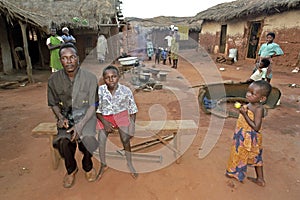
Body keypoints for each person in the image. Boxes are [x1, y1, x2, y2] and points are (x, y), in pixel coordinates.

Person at [47, 43, 99, 188]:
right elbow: (54, 104)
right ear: (60, 60)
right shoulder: (54, 80)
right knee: (63, 140)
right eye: (64, 58)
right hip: (66, 116)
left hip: (86, 115)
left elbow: (93, 105)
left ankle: (88, 166)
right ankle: (71, 169)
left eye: (72, 57)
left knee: (88, 138)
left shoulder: (90, 78)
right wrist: (60, 117)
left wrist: (81, 124)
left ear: (77, 58)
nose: (68, 61)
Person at [225, 80, 272, 187]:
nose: (248, 94)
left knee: (255, 157)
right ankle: (235, 173)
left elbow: (256, 127)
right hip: (242, 135)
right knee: (239, 153)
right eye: (248, 91)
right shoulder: (251, 103)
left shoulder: (259, 108)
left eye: (252, 93)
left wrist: (244, 114)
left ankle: (260, 179)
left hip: (251, 137)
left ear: (262, 98)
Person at [96, 65, 138, 179]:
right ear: (103, 79)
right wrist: (104, 122)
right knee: (101, 139)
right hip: (104, 116)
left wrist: (132, 126)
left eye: (114, 76)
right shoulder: (99, 91)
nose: (111, 80)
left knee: (125, 139)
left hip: (121, 115)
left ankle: (129, 163)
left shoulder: (126, 91)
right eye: (107, 77)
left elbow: (133, 109)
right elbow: (95, 110)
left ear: (118, 77)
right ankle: (103, 164)